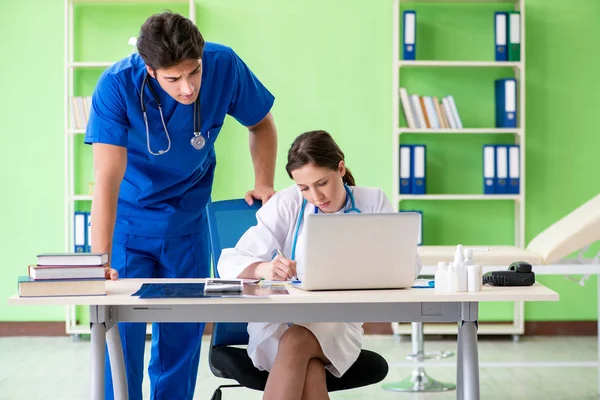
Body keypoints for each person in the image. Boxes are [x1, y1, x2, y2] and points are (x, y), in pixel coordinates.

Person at [84, 11, 278, 400]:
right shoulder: (116, 86)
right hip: (128, 222)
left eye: (194, 73)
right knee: (118, 341)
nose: (188, 89)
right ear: (150, 69)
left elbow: (261, 123)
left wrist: (264, 182)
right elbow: (107, 178)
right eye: (173, 78)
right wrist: (99, 258)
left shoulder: (224, 65)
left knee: (182, 339)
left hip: (188, 221)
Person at [218, 130, 422, 400]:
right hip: (277, 323)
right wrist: (264, 269)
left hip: (338, 323)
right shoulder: (288, 203)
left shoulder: (372, 202)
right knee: (307, 360)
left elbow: (407, 264)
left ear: (340, 168)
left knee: (298, 344)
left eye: (321, 183)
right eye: (304, 188)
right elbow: (232, 259)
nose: (315, 196)